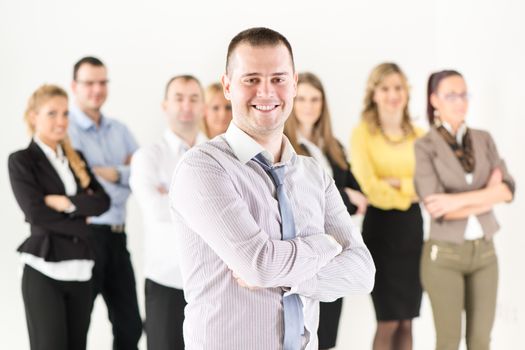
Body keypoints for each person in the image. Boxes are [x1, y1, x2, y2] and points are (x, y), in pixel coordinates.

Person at [170, 27, 375, 350]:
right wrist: (324, 245)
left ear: (294, 84)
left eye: (278, 79)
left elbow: (362, 272)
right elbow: (260, 264)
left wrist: (294, 277)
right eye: (251, 79)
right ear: (227, 86)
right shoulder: (203, 168)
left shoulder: (313, 174)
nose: (266, 93)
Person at [415, 70, 515, 350]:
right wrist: (488, 195)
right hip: (444, 255)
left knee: (481, 341)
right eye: (451, 95)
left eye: (464, 94)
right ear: (435, 100)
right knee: (448, 342)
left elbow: (507, 189)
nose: (460, 102)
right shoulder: (425, 146)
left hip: (485, 253)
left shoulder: (484, 139)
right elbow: (437, 209)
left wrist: (455, 200)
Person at [8, 84, 110, 350]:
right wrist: (82, 219)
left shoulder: (78, 159)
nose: (61, 121)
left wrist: (65, 203)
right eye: (52, 113)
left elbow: (102, 202)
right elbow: (36, 213)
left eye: (65, 114)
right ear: (33, 117)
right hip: (45, 270)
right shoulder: (22, 160)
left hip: (81, 271)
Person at [283, 71, 367, 349]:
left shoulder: (334, 147)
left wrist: (343, 198)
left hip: (336, 253)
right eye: (303, 98)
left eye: (315, 99)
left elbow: (361, 197)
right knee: (304, 333)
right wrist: (345, 196)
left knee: (328, 337)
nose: (308, 105)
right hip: (305, 251)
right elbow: (300, 199)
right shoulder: (286, 147)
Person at [68, 56, 142, 349]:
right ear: (75, 86)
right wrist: (123, 176)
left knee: (131, 326)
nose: (97, 89)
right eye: (89, 83)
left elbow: (142, 176)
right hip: (86, 238)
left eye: (102, 82)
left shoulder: (119, 130)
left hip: (117, 237)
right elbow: (82, 188)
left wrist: (114, 174)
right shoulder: (67, 131)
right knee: (78, 326)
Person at [350, 63, 424, 350]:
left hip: (412, 230)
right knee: (388, 319)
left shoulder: (419, 135)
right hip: (381, 231)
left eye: (398, 87)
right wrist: (410, 190)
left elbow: (428, 183)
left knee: (407, 319)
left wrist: (398, 185)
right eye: (385, 88)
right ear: (374, 93)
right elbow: (370, 188)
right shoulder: (363, 134)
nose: (393, 94)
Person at [130, 75, 207, 350]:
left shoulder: (220, 154)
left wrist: (173, 196)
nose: (186, 105)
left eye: (193, 98)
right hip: (166, 281)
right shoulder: (147, 157)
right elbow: (155, 210)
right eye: (178, 98)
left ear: (203, 106)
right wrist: (206, 202)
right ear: (165, 105)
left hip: (212, 283)